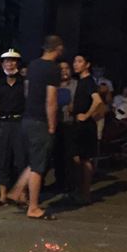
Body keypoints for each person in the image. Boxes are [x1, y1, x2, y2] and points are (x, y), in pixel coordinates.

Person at [8, 35, 62, 220]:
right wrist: (52, 125)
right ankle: (33, 207)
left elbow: (27, 90)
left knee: (34, 160)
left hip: (28, 118)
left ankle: (17, 191)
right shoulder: (53, 69)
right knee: (39, 166)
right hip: (40, 120)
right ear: (58, 49)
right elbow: (51, 100)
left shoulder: (33, 65)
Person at [0, 48, 27, 206]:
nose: (10, 64)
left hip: (19, 123)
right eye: (7, 61)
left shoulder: (24, 83)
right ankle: (3, 195)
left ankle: (23, 194)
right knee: (3, 159)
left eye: (13, 61)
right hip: (4, 123)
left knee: (21, 159)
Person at [70, 53, 104, 205]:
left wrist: (86, 115)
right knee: (78, 158)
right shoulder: (81, 81)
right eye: (75, 61)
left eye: (79, 61)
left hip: (85, 126)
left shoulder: (88, 81)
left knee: (85, 159)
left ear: (87, 64)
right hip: (78, 124)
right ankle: (81, 191)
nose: (75, 64)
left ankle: (85, 193)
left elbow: (97, 101)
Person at [53, 58, 78, 193]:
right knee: (57, 155)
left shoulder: (76, 85)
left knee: (70, 155)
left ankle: (71, 184)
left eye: (66, 68)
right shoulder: (53, 85)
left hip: (70, 124)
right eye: (61, 69)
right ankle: (59, 182)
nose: (64, 71)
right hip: (56, 124)